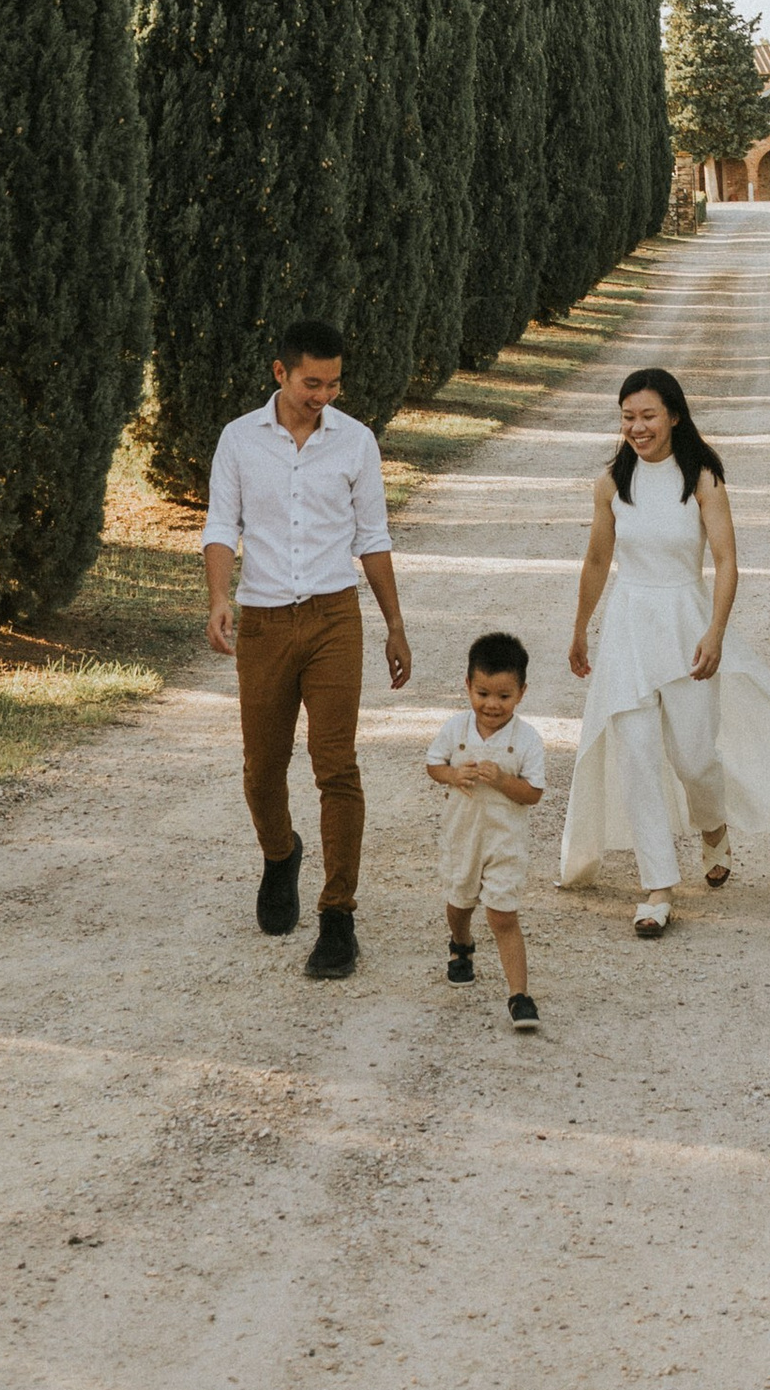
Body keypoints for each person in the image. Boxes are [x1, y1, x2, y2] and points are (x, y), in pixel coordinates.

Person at [562, 362, 770, 937]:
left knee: (694, 756)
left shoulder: (701, 477)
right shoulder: (610, 483)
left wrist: (716, 632)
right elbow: (597, 561)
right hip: (629, 626)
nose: (637, 427)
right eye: (628, 417)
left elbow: (727, 561)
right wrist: (581, 628)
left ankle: (712, 825)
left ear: (674, 415)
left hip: (686, 621)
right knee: (635, 756)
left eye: (648, 415)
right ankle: (657, 887)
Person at [203, 319, 413, 981]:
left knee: (336, 766)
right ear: (281, 373)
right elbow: (220, 526)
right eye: (311, 382)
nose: (323, 394)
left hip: (332, 618)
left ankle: (337, 917)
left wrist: (395, 624)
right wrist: (217, 598)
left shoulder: (355, 443)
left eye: (333, 382)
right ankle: (280, 854)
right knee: (262, 769)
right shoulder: (239, 439)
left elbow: (372, 536)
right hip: (263, 621)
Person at [425, 629, 546, 1032]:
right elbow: (433, 764)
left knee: (502, 915)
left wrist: (502, 782)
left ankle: (519, 995)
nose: (491, 705)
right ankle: (461, 943)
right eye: (482, 693)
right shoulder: (456, 730)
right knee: (460, 903)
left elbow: (533, 793)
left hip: (505, 840)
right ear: (468, 686)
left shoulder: (527, 740)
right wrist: (452, 775)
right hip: (463, 834)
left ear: (521, 693)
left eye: (504, 696)